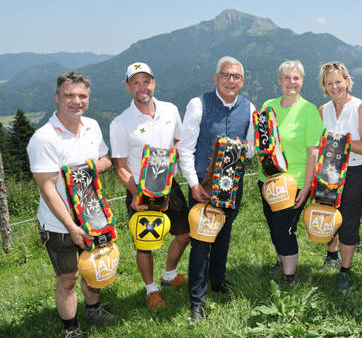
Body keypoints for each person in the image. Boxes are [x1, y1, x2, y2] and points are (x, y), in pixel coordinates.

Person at [27, 71, 119, 337]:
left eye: (82, 96)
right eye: (69, 95)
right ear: (57, 97)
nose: (76, 101)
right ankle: (72, 329)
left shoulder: (92, 126)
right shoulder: (44, 138)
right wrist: (71, 226)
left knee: (93, 266)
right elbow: (47, 188)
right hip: (59, 224)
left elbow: (106, 159)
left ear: (88, 98)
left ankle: (94, 310)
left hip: (92, 216)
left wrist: (92, 167)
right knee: (68, 279)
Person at [179, 56, 256, 322]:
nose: (230, 81)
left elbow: (252, 148)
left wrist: (237, 149)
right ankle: (197, 301)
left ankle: (218, 280)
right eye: (226, 75)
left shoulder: (249, 107)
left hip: (232, 185)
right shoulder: (197, 104)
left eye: (236, 77)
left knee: (223, 234)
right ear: (216, 78)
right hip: (203, 185)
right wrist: (193, 184)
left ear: (242, 81)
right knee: (201, 242)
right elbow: (185, 149)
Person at [109, 62, 189, 309]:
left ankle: (169, 275)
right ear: (128, 87)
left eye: (146, 81)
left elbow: (179, 139)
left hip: (169, 185)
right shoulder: (120, 123)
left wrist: (173, 156)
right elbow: (120, 166)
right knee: (145, 244)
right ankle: (151, 290)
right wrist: (136, 194)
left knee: (185, 233)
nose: (142, 87)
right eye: (136, 83)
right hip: (140, 190)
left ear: (154, 83)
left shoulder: (170, 110)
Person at [257, 60, 323, 286]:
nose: (291, 82)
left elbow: (313, 152)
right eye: (287, 78)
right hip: (267, 180)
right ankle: (281, 260)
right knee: (272, 225)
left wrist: (307, 187)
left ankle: (289, 276)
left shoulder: (308, 110)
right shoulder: (268, 106)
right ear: (279, 81)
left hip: (294, 183)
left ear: (302, 81)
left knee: (284, 230)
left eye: (296, 78)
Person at [317, 61, 362, 293]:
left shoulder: (360, 108)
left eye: (338, 82)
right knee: (328, 215)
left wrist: (339, 141)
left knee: (349, 221)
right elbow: (318, 144)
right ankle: (331, 255)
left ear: (347, 81)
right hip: (328, 169)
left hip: (354, 171)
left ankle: (345, 270)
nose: (335, 87)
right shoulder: (322, 110)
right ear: (324, 86)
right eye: (329, 83)